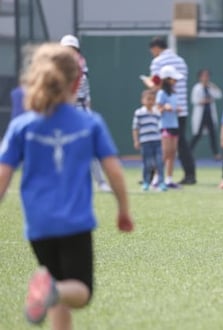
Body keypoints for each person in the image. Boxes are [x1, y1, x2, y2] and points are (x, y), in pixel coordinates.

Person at [0, 43, 134, 329]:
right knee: (79, 292)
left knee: (57, 286)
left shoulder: (22, 126)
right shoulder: (89, 123)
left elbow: (2, 176)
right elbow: (114, 171)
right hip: (75, 224)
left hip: (38, 227)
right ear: (77, 81)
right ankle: (52, 290)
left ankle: (52, 290)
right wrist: (123, 209)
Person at [60, 34, 112, 193]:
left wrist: (87, 107)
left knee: (90, 146)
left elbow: (85, 90)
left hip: (81, 108)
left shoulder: (82, 66)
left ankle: (101, 182)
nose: (71, 52)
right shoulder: (56, 67)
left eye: (73, 49)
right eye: (67, 49)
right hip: (64, 110)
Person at [147, 36, 196, 184]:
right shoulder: (181, 61)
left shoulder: (157, 62)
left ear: (156, 48)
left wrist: (148, 83)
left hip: (165, 112)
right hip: (181, 108)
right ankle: (189, 174)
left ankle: (153, 176)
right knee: (180, 144)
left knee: (161, 145)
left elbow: (156, 85)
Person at [132, 90, 166, 192]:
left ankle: (161, 183)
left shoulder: (157, 113)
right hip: (145, 142)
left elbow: (160, 127)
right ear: (143, 100)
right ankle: (146, 182)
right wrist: (136, 141)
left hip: (157, 141)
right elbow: (135, 128)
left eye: (153, 100)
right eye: (148, 99)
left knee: (159, 162)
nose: (151, 102)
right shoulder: (139, 113)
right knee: (147, 163)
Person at [156, 65, 183, 188]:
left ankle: (169, 179)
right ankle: (157, 179)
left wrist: (176, 109)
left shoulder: (173, 93)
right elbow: (158, 108)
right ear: (166, 79)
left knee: (172, 153)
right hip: (165, 126)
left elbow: (174, 108)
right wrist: (164, 108)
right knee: (165, 153)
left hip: (174, 125)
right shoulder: (161, 93)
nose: (175, 81)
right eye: (173, 79)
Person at [190, 69, 222, 160]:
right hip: (201, 115)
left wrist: (213, 86)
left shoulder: (210, 87)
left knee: (212, 135)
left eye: (207, 76)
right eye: (204, 76)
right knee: (197, 134)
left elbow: (219, 95)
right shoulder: (197, 87)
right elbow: (194, 100)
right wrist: (205, 101)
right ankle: (189, 151)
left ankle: (216, 154)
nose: (206, 78)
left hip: (209, 114)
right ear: (200, 77)